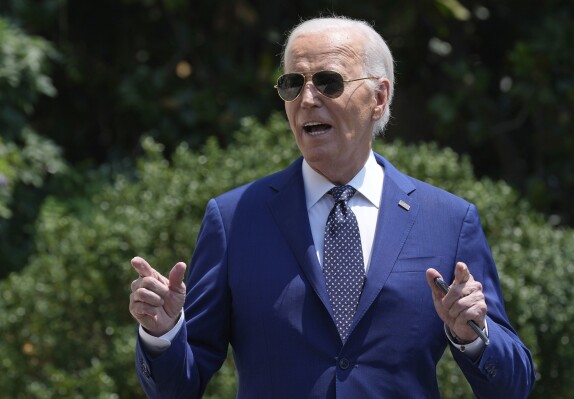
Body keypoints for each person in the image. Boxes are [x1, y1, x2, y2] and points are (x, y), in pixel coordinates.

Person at [129, 16, 536, 398]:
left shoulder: (447, 220)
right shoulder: (234, 219)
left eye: (328, 82)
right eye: (292, 83)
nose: (307, 99)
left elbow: (514, 386)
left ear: (379, 97)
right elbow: (179, 386)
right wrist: (163, 334)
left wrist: (473, 334)